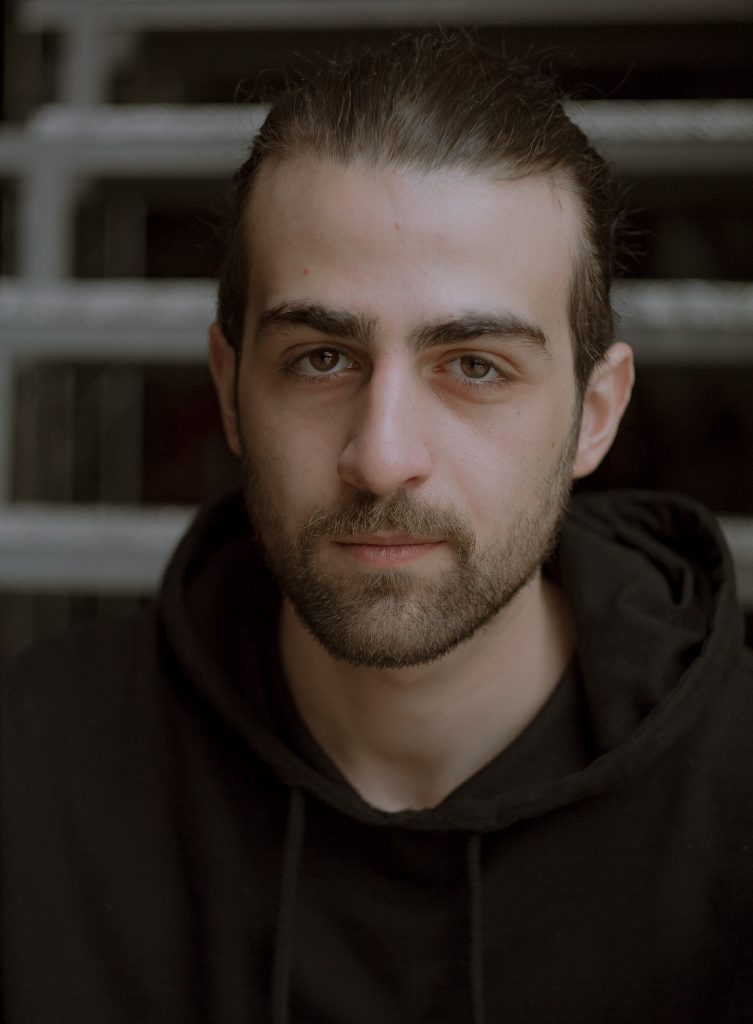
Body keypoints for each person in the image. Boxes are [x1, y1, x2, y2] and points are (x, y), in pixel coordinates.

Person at [2, 30, 752, 1024]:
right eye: (320, 359)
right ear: (230, 390)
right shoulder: (28, 772)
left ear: (595, 415)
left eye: (474, 365)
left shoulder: (734, 798)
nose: (382, 455)